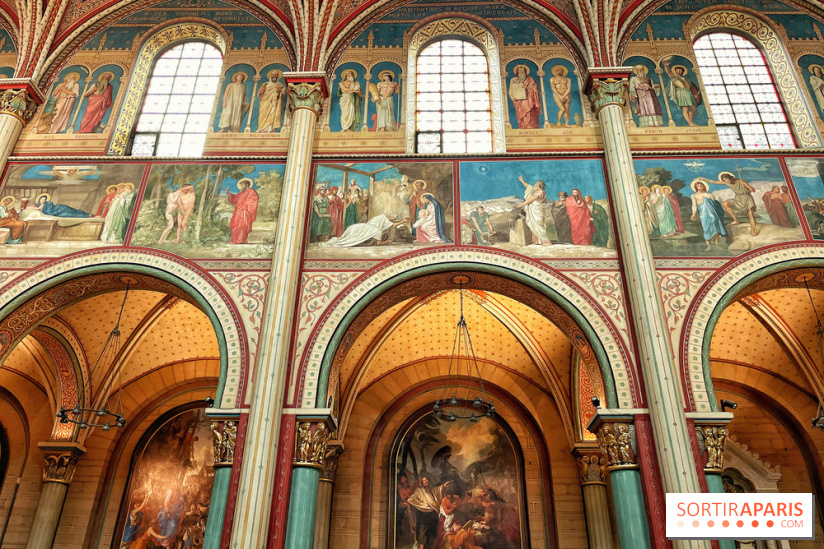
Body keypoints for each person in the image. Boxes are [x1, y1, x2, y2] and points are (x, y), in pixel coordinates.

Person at [697, 171, 758, 236]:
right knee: (725, 204)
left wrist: (746, 184)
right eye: (724, 180)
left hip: (747, 198)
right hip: (738, 198)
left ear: (730, 178)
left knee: (751, 215)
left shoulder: (740, 181)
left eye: (726, 179)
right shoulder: (727, 183)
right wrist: (704, 179)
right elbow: (714, 182)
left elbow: (753, 190)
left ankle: (753, 231)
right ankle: (736, 220)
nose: (725, 181)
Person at [404, 475, 451, 549]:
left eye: (426, 480)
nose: (426, 481)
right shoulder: (419, 491)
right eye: (424, 480)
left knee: (433, 533)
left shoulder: (432, 490)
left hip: (432, 514)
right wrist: (420, 504)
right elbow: (411, 499)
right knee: (422, 535)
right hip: (423, 515)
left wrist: (444, 485)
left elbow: (439, 489)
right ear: (421, 483)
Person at [319, 214, 405, 248]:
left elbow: (391, 224)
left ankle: (337, 240)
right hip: (361, 228)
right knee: (347, 240)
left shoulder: (378, 220)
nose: (392, 219)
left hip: (356, 227)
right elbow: (378, 243)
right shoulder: (378, 230)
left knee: (345, 239)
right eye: (391, 218)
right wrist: (387, 241)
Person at [690, 179, 727, 248]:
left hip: (713, 214)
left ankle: (717, 245)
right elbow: (694, 206)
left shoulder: (710, 195)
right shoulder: (694, 195)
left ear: (704, 186)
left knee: (715, 228)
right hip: (703, 213)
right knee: (706, 228)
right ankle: (708, 246)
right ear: (696, 187)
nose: (700, 187)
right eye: (698, 186)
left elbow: (715, 205)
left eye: (701, 186)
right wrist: (694, 214)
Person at [663, 60, 701, 127]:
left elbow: (691, 88)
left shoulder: (686, 79)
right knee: (685, 108)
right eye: (677, 70)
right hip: (681, 93)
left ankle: (690, 122)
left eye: (679, 70)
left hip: (688, 93)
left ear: (683, 71)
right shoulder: (675, 77)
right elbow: (669, 73)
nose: (678, 71)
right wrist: (666, 66)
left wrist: (693, 95)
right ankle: (690, 123)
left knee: (693, 108)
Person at [516, 175, 550, 245]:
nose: (535, 184)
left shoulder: (540, 192)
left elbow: (530, 200)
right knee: (534, 225)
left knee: (539, 225)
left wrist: (521, 205)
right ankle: (538, 241)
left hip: (537, 210)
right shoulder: (535, 191)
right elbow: (528, 186)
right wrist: (522, 180)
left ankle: (547, 241)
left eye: (536, 183)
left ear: (538, 185)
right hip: (533, 210)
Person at [227, 178, 259, 244]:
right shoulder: (241, 193)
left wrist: (245, 205)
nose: (241, 186)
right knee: (235, 224)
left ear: (247, 185)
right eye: (241, 185)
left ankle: (241, 240)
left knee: (243, 225)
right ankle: (235, 240)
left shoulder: (251, 191)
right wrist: (228, 193)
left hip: (245, 211)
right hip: (238, 211)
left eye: (243, 185)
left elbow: (254, 200)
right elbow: (234, 199)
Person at [509, 65, 541, 129]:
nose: (521, 72)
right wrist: (512, 96)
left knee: (530, 112)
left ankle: (530, 126)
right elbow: (511, 90)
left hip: (529, 99)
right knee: (521, 113)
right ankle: (522, 126)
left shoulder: (530, 79)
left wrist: (527, 87)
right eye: (520, 71)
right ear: (517, 72)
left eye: (523, 71)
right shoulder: (514, 80)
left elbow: (535, 88)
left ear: (525, 72)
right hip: (519, 100)